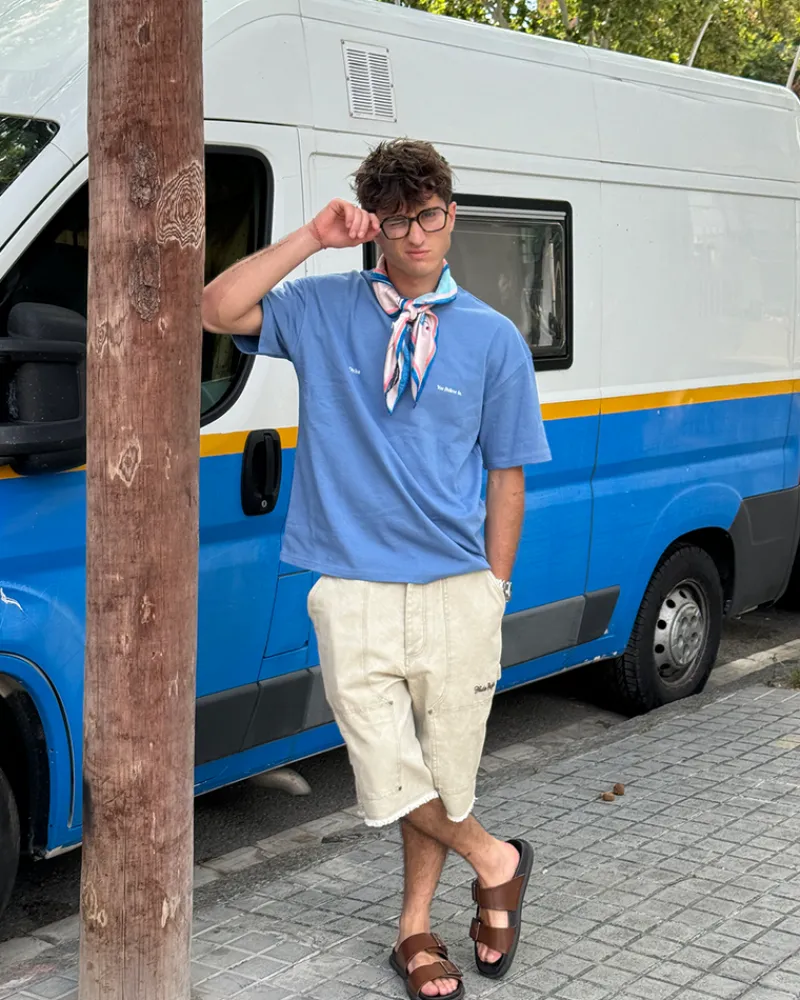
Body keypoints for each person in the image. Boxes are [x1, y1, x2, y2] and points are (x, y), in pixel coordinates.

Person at [202, 139, 551, 999]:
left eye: (428, 216)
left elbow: (506, 477)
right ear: (377, 228)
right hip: (351, 585)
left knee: (446, 773)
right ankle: (496, 861)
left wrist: (495, 587)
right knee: (384, 773)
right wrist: (312, 237)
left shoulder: (493, 339)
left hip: (458, 588)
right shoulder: (324, 308)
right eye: (396, 221)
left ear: (451, 215)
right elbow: (215, 308)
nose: (415, 235)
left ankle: (415, 931)